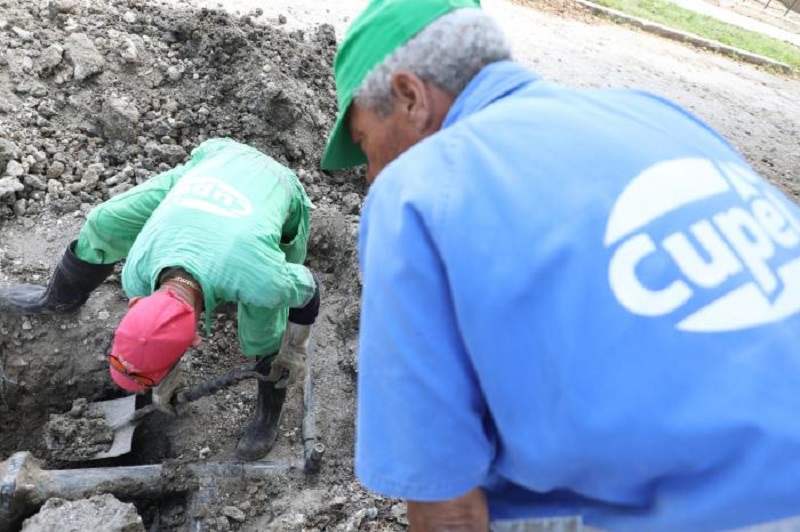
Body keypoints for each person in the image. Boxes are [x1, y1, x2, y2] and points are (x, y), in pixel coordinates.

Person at [321, 1, 800, 530]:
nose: (369, 175)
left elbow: (448, 507)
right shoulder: (653, 113)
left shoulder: (417, 190)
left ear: (410, 97)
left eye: (364, 143)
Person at [0, 138, 320, 461]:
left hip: (274, 185)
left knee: (263, 333)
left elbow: (309, 290)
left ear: (196, 340)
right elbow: (149, 334)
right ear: (134, 304)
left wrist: (293, 350)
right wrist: (163, 375)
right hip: (211, 164)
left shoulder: (259, 278)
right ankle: (58, 299)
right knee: (102, 222)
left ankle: (269, 412)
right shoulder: (137, 271)